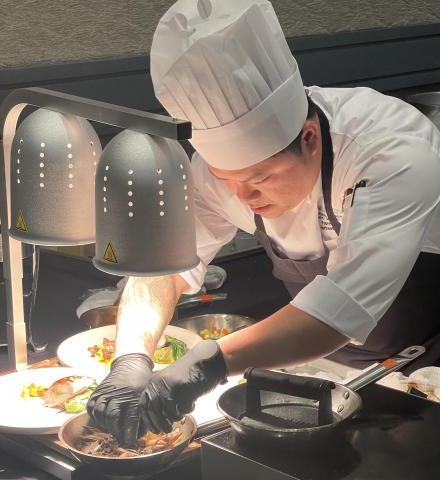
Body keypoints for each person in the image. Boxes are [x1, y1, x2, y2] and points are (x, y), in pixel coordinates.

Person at [87, 0, 440, 445]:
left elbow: (336, 313)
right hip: (328, 368)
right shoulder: (217, 175)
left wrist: (207, 363)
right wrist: (131, 357)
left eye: (260, 178)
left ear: (308, 138)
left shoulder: (393, 155)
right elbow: (164, 270)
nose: (243, 196)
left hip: (425, 369)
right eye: (225, 178)